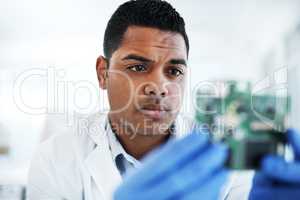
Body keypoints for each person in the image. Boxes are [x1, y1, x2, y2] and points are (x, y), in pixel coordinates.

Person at [27, 0, 300, 199]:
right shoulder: (55, 158)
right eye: (137, 67)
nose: (159, 87)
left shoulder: (230, 161)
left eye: (174, 71)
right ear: (103, 73)